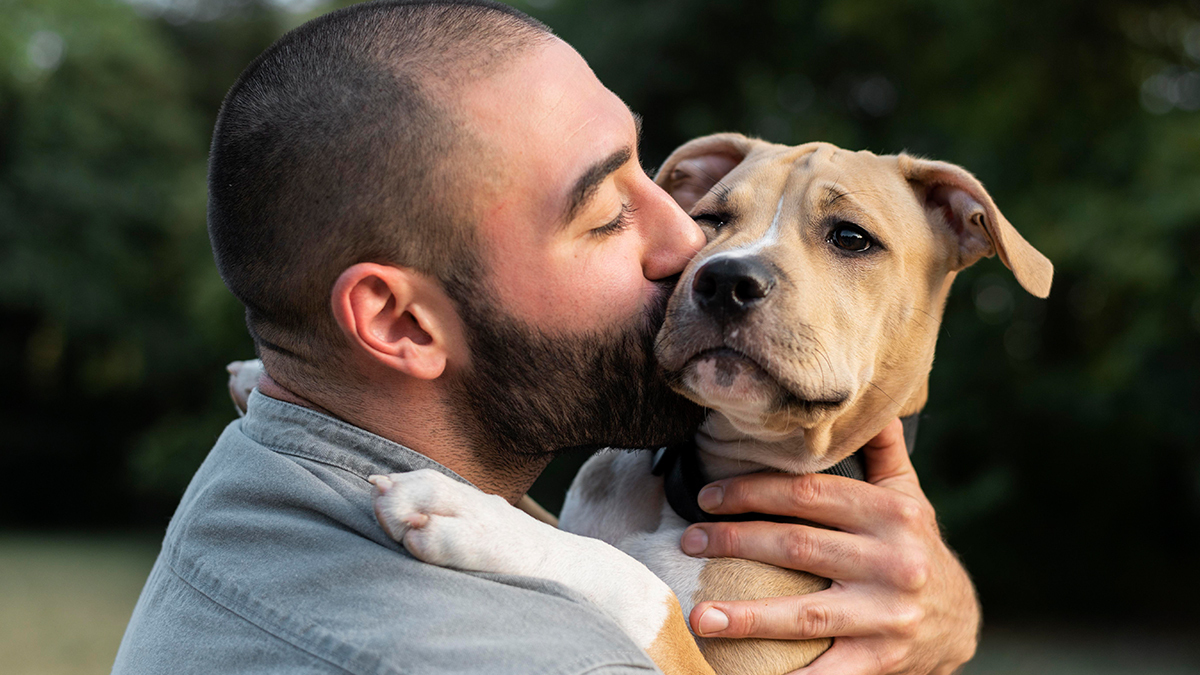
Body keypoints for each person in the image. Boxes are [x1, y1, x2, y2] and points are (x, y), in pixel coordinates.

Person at [113, 1, 980, 673]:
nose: (689, 248)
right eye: (605, 216)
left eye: (661, 182)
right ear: (400, 323)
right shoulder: (548, 655)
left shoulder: (264, 465)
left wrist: (946, 612)